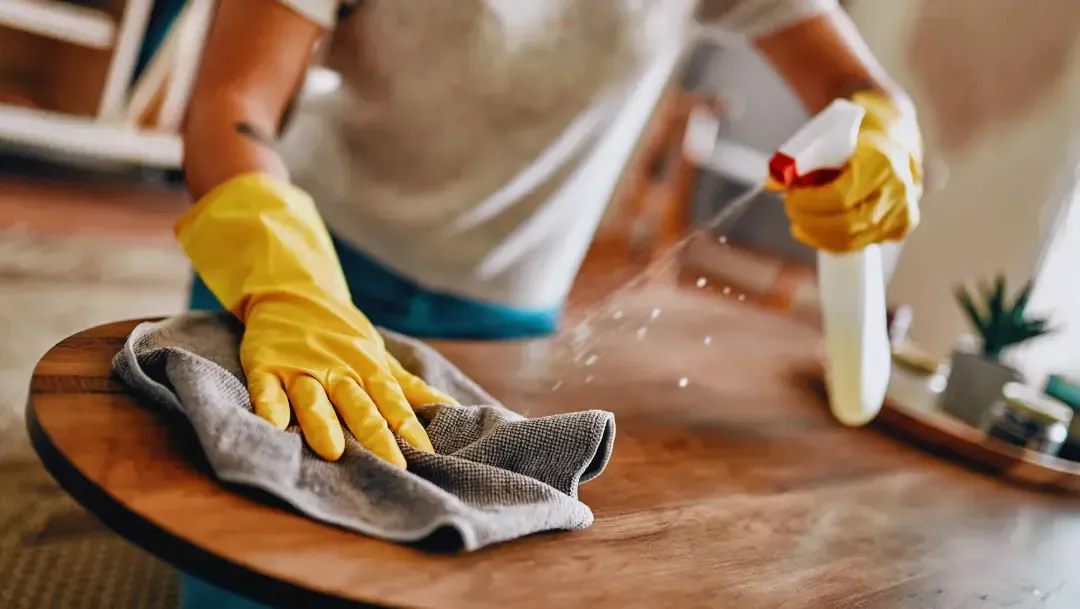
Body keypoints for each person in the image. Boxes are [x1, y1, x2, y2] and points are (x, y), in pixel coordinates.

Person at [180, 0, 921, 470]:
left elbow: (861, 90)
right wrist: (289, 287)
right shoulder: (287, 281)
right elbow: (234, 97)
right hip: (291, 270)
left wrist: (885, 136)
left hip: (507, 321)